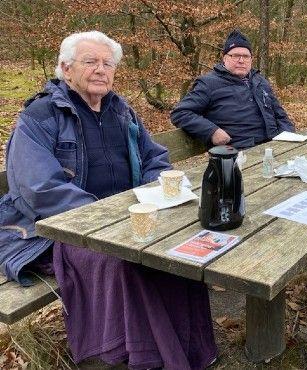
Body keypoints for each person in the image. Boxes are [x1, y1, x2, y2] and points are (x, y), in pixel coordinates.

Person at [0, 31, 217, 369]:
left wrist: (155, 191)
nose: (101, 70)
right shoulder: (40, 115)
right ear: (65, 68)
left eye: (108, 64)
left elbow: (155, 159)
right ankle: (137, 357)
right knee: (129, 262)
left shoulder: (121, 111)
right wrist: (106, 218)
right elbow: (39, 188)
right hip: (61, 230)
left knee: (179, 251)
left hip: (128, 216)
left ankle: (187, 350)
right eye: (90, 62)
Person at [171, 29, 295, 149]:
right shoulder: (209, 84)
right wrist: (212, 131)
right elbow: (181, 113)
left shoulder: (260, 81)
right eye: (235, 55)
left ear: (251, 59)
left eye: (246, 56)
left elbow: (280, 116)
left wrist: (287, 139)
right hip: (238, 153)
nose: (241, 60)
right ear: (225, 58)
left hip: (272, 147)